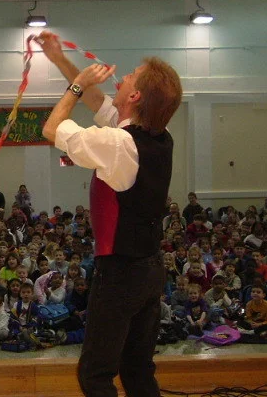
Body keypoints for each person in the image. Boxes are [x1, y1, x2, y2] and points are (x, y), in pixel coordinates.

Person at [38, 31, 182, 397]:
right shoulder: (158, 134)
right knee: (136, 370)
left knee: (96, 375)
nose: (123, 76)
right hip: (149, 267)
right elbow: (99, 101)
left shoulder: (119, 144)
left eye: (131, 74)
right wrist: (59, 59)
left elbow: (51, 128)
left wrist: (74, 87)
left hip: (121, 273)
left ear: (134, 96)